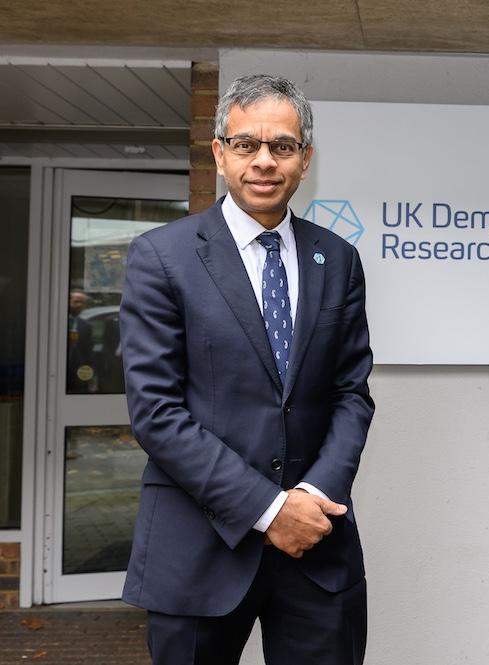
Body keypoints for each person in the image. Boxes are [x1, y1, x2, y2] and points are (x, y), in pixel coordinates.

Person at [119, 74, 374, 665]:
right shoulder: (162, 257)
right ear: (219, 153)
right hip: (198, 549)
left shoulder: (337, 258)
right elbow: (156, 412)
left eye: (282, 146)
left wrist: (310, 497)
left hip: (318, 545)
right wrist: (269, 508)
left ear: (304, 158)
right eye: (246, 145)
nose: (264, 161)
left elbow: (351, 394)